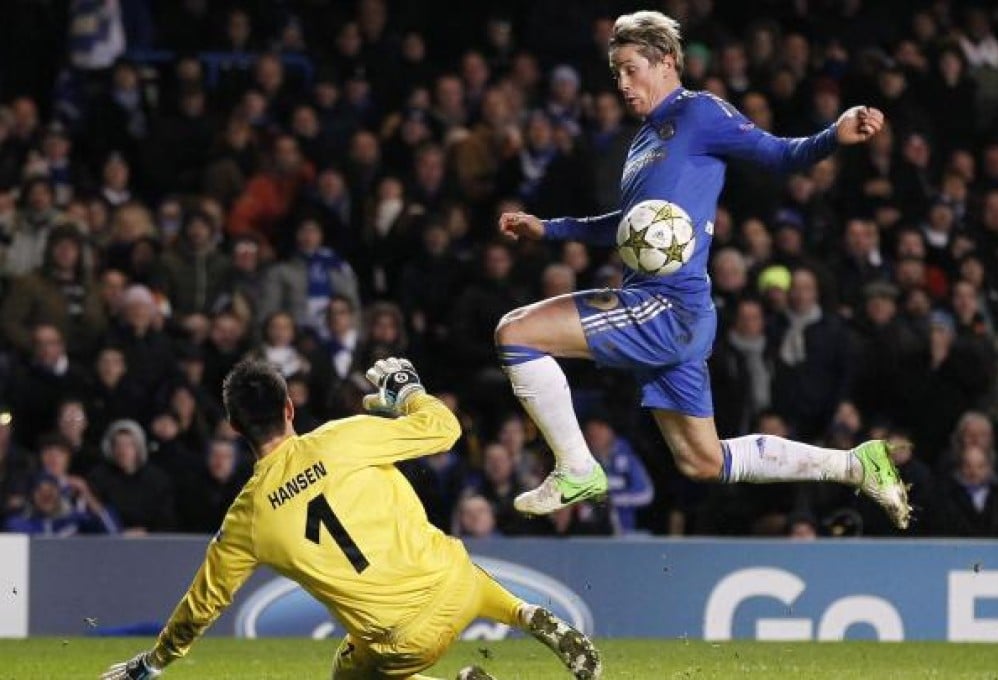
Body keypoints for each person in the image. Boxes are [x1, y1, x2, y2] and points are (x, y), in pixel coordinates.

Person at [495, 10, 910, 529]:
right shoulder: (643, 141)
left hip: (665, 305)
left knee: (516, 332)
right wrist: (549, 230)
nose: (622, 84)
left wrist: (832, 134)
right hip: (675, 310)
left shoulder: (699, 112)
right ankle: (854, 465)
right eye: (616, 73)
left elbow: (779, 155)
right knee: (703, 462)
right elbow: (629, 228)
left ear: (666, 61)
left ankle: (576, 467)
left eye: (631, 70)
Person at [101, 357, 601, 680]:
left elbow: (201, 606)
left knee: (349, 676)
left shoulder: (247, 517)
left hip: (403, 640)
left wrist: (151, 664)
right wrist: (408, 392)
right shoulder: (345, 437)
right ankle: (526, 613)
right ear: (290, 408)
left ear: (234, 426)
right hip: (459, 583)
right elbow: (444, 430)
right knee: (451, 566)